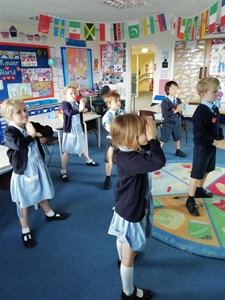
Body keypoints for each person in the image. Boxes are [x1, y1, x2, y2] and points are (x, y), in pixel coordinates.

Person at [108, 114, 166, 299]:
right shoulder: (129, 158)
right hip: (132, 210)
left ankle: (121, 258)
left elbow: (146, 147)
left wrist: (150, 140)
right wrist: (153, 139)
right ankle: (128, 293)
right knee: (129, 256)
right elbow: (158, 161)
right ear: (132, 139)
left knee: (121, 236)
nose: (147, 135)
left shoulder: (126, 150)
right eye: (144, 132)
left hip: (124, 205)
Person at [1, 99, 69, 248]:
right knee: (23, 201)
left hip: (37, 167)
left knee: (41, 191)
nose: (24, 113)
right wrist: (31, 136)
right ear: (9, 117)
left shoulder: (30, 125)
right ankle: (25, 229)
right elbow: (17, 145)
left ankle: (49, 214)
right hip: (23, 172)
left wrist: (36, 132)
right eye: (19, 112)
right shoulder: (9, 132)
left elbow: (49, 131)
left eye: (25, 110)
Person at [186, 77, 225, 216]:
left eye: (218, 90)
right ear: (203, 94)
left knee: (208, 169)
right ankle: (190, 199)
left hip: (211, 146)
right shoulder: (201, 111)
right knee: (197, 173)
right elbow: (199, 133)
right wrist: (215, 142)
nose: (218, 94)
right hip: (202, 147)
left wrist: (221, 137)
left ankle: (199, 190)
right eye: (215, 91)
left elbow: (217, 126)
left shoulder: (214, 107)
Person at [60, 84, 99, 182]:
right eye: (70, 94)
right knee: (66, 152)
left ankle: (88, 160)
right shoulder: (65, 104)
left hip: (78, 129)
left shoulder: (77, 103)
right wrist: (81, 109)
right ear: (66, 95)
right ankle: (63, 171)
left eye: (74, 93)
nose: (73, 95)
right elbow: (69, 112)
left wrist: (85, 108)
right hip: (70, 131)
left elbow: (89, 108)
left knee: (81, 145)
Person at [102, 91, 126, 189]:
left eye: (119, 100)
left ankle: (124, 176)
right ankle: (107, 178)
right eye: (116, 101)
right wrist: (120, 121)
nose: (119, 103)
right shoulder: (107, 116)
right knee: (109, 160)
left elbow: (129, 121)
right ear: (109, 104)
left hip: (123, 140)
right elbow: (109, 127)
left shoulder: (122, 112)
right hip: (112, 141)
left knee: (124, 159)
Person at [160, 80, 186, 157]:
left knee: (177, 137)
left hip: (176, 121)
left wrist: (181, 109)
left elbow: (179, 110)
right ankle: (158, 153)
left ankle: (178, 150)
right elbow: (167, 114)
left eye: (176, 88)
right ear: (168, 90)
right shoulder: (165, 102)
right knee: (164, 138)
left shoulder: (178, 100)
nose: (175, 90)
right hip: (168, 123)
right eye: (173, 88)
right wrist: (177, 109)